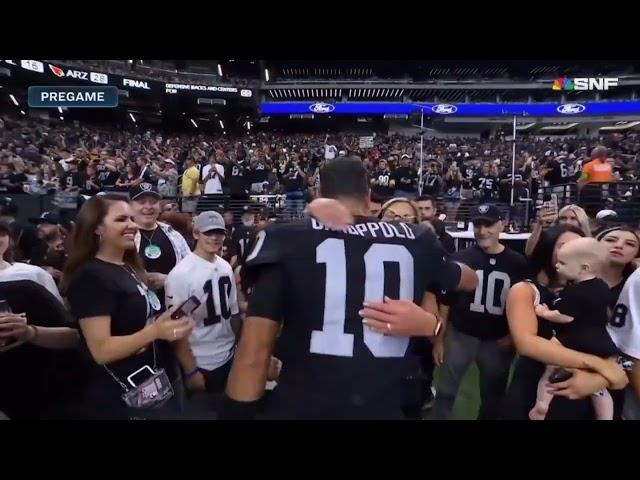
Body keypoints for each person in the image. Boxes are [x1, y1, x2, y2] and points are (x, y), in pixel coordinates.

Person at [219, 158, 477, 420]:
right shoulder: (418, 238)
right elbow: (468, 279)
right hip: (385, 406)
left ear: (320, 195)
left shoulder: (285, 237)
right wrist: (432, 322)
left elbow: (254, 352)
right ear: (368, 197)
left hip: (302, 404)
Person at [62, 194, 194, 419]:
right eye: (122, 219)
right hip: (119, 394)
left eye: (131, 219)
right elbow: (101, 350)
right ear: (97, 228)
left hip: (153, 379)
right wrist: (155, 331)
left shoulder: (128, 266)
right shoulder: (91, 276)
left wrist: (162, 322)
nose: (132, 225)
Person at [502, 225, 628, 420]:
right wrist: (598, 365)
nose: (570, 252)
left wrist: (596, 379)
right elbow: (527, 344)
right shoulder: (526, 289)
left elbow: (606, 340)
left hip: (582, 395)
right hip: (537, 384)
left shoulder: (593, 292)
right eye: (563, 246)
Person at [431, 204, 528, 420]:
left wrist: (513, 335)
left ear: (501, 225)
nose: (482, 231)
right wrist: (439, 339)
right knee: (446, 390)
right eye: (478, 225)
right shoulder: (461, 257)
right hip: (461, 333)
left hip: (497, 338)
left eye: (488, 225)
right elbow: (446, 301)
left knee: (493, 395)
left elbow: (526, 304)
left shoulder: (517, 262)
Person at [530, 238, 618, 420]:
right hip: (599, 340)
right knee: (598, 388)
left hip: (573, 339)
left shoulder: (575, 291)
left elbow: (565, 317)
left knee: (551, 370)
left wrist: (544, 312)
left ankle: (542, 404)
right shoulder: (602, 286)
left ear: (584, 268)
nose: (557, 266)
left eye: (563, 263)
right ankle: (606, 417)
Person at [129, 183, 191, 311]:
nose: (148, 207)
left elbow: (192, 272)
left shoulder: (173, 235)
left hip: (173, 310)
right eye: (141, 202)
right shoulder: (123, 235)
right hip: (136, 314)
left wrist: (169, 280)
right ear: (130, 206)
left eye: (153, 202)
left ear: (159, 207)